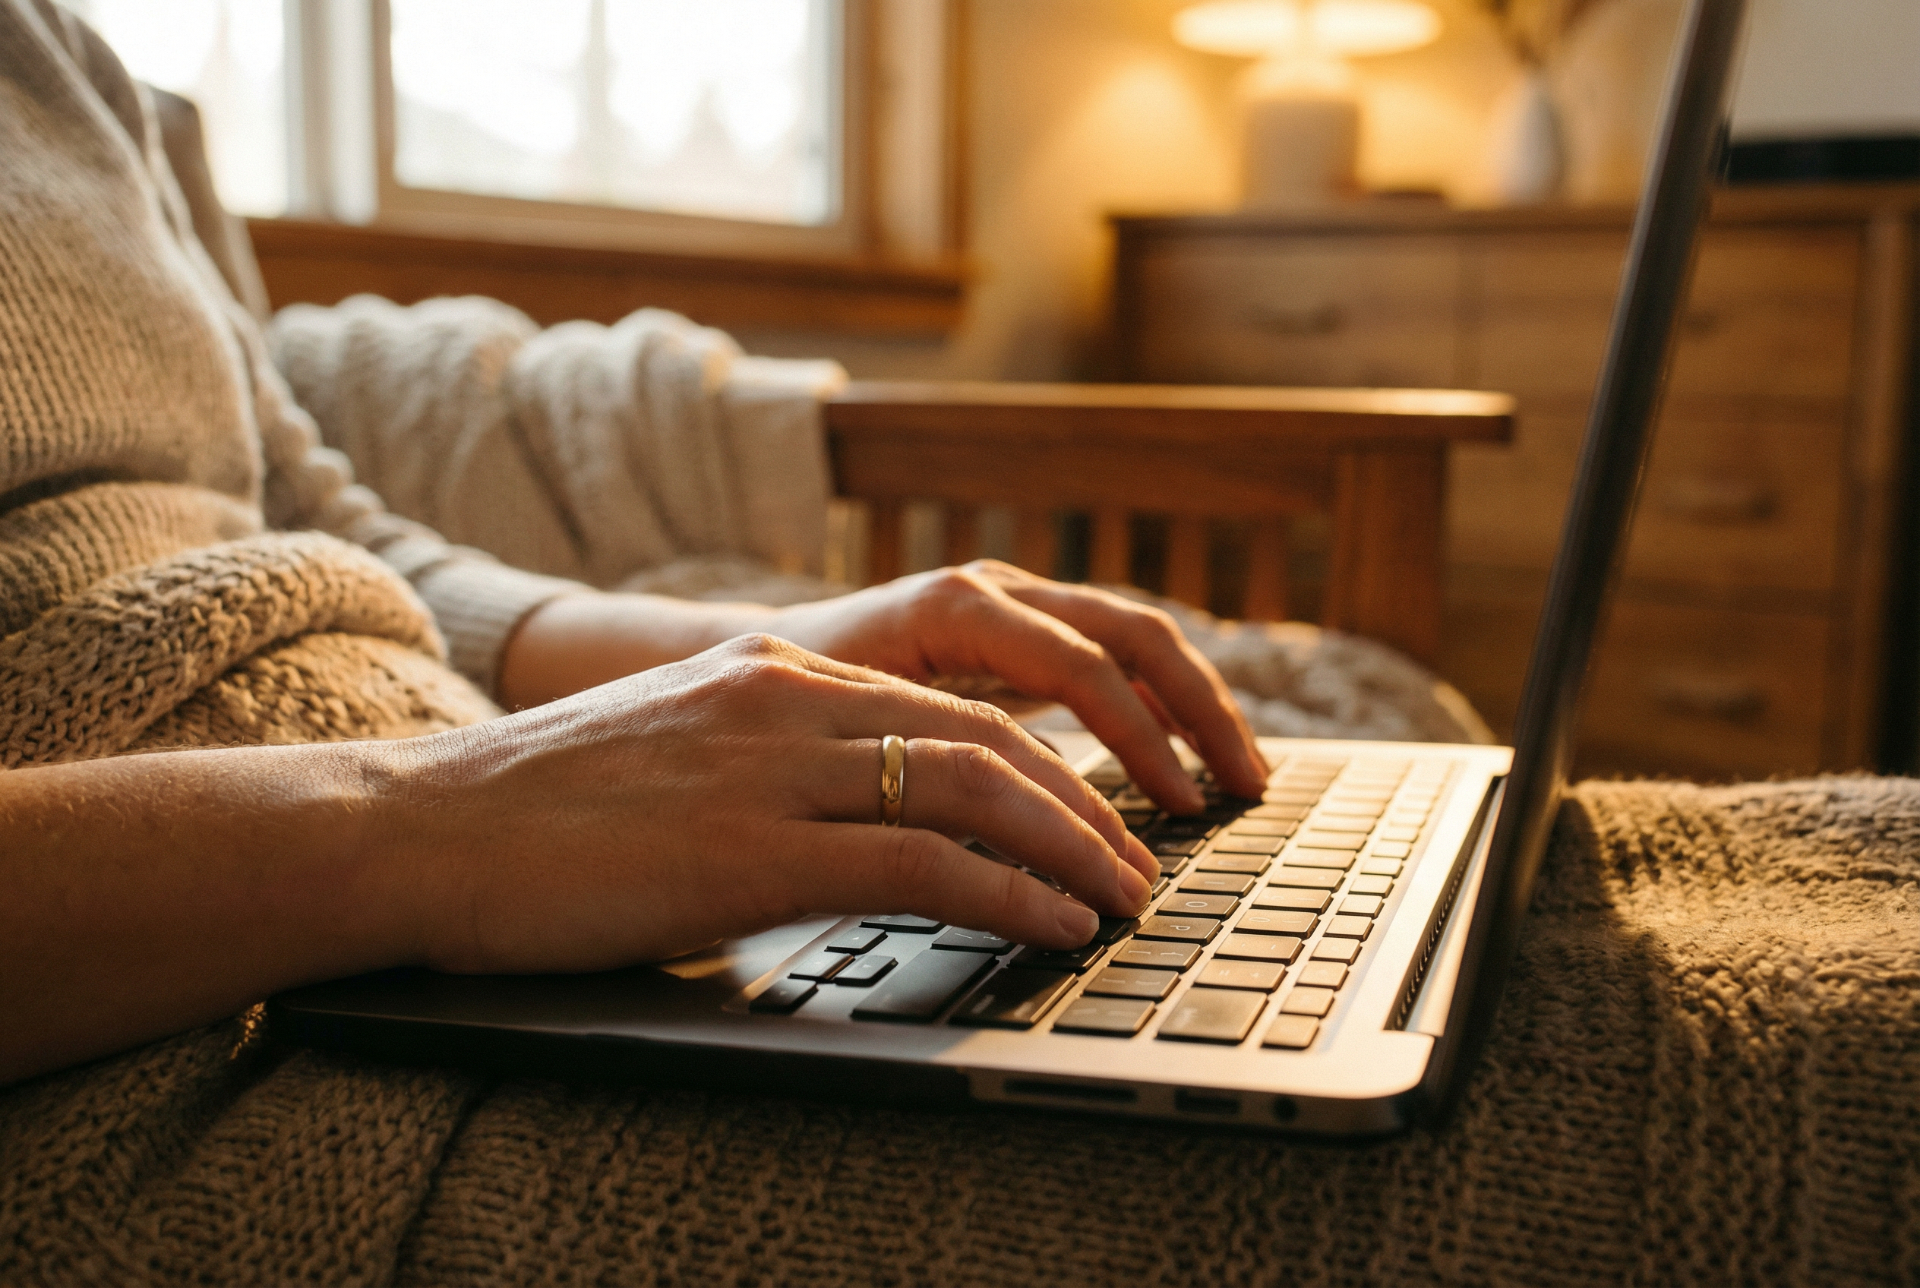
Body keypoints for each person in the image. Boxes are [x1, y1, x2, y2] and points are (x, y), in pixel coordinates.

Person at [0, 0, 1267, 1086]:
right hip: (195, 997)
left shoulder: (67, 51)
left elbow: (337, 539)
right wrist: (443, 826)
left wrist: (773, 648)